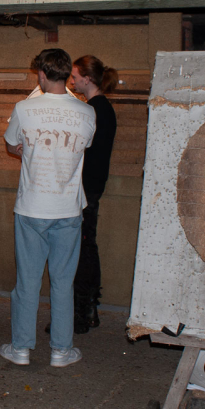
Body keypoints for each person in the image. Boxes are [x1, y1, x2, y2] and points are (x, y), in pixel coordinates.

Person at [0, 49, 96, 368]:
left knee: (26, 282)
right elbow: (85, 146)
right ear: (68, 75)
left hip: (30, 208)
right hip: (68, 209)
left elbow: (12, 145)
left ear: (41, 74)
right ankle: (60, 350)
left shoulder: (24, 108)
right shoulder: (87, 112)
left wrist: (20, 147)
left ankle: (22, 349)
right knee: (62, 282)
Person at [70, 55, 118, 332]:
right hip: (92, 186)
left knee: (82, 250)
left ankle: (80, 315)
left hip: (86, 188)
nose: (72, 80)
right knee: (88, 247)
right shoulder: (101, 107)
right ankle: (88, 310)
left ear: (88, 79)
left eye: (75, 76)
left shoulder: (94, 109)